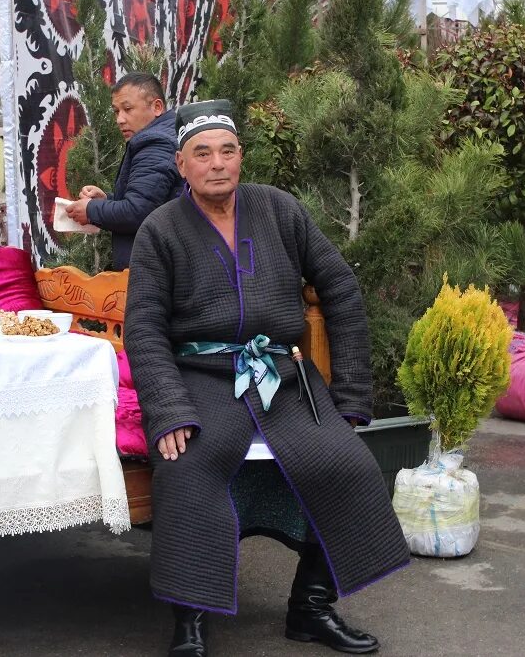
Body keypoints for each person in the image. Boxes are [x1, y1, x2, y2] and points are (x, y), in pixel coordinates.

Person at [123, 99, 409, 656]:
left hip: (282, 374)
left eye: (227, 151)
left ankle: (311, 607)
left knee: (348, 463)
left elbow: (341, 289)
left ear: (241, 158)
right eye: (202, 154)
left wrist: (350, 395)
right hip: (202, 376)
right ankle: (191, 624)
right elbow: (144, 328)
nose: (217, 164)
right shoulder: (160, 229)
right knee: (188, 469)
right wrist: (168, 408)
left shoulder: (281, 211)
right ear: (181, 165)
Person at [66, 73, 183, 269]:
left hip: (154, 268)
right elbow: (150, 202)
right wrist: (107, 201)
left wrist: (90, 209)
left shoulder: (156, 143)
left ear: (157, 107)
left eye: (128, 109)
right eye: (116, 111)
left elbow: (137, 212)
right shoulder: (160, 135)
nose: (120, 119)